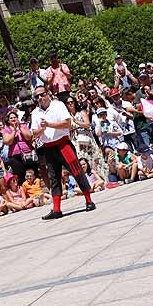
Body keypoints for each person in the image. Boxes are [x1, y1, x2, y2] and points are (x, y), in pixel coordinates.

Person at [29, 86, 94, 220]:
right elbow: (33, 132)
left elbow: (67, 123)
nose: (40, 98)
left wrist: (49, 124)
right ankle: (57, 209)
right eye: (37, 96)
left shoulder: (58, 105)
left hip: (63, 144)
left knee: (76, 171)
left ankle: (89, 200)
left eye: (42, 94)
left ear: (48, 94)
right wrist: (42, 129)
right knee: (53, 178)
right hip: (48, 147)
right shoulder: (35, 112)